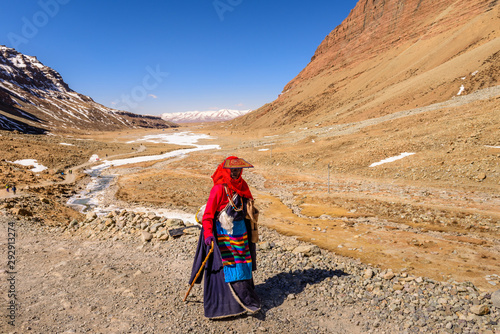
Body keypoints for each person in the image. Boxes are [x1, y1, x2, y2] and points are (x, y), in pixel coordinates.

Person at [189, 156, 261, 319]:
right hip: (224, 236)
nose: (235, 173)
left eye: (237, 170)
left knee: (243, 265)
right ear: (226, 170)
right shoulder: (218, 189)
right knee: (229, 267)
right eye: (232, 170)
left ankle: (245, 298)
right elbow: (208, 215)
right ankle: (227, 305)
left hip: (241, 235)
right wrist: (208, 234)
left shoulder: (243, 186)